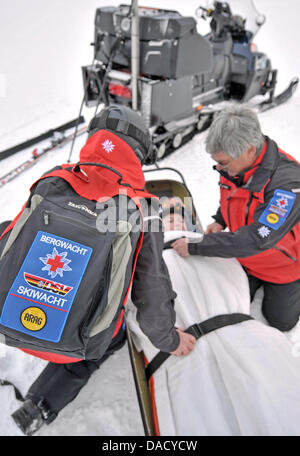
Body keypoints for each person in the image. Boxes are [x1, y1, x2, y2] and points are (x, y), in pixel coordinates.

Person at [6, 105, 195, 435]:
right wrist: (168, 340)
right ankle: (42, 403)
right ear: (138, 152)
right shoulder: (142, 209)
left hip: (11, 319)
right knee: (111, 337)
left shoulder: (53, 181)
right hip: (75, 344)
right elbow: (151, 292)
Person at [126, 206, 300, 436]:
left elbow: (233, 273)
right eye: (170, 221)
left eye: (180, 221)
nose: (177, 225)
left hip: (237, 328)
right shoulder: (146, 256)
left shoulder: (207, 244)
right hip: (187, 345)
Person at [172, 104, 300, 332]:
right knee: (221, 305)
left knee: (281, 321)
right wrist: (220, 219)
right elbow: (231, 197)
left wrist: (198, 246)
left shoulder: (287, 187)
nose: (220, 169)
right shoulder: (236, 166)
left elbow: (257, 238)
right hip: (244, 256)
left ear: (250, 150)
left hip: (283, 264)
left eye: (224, 162)